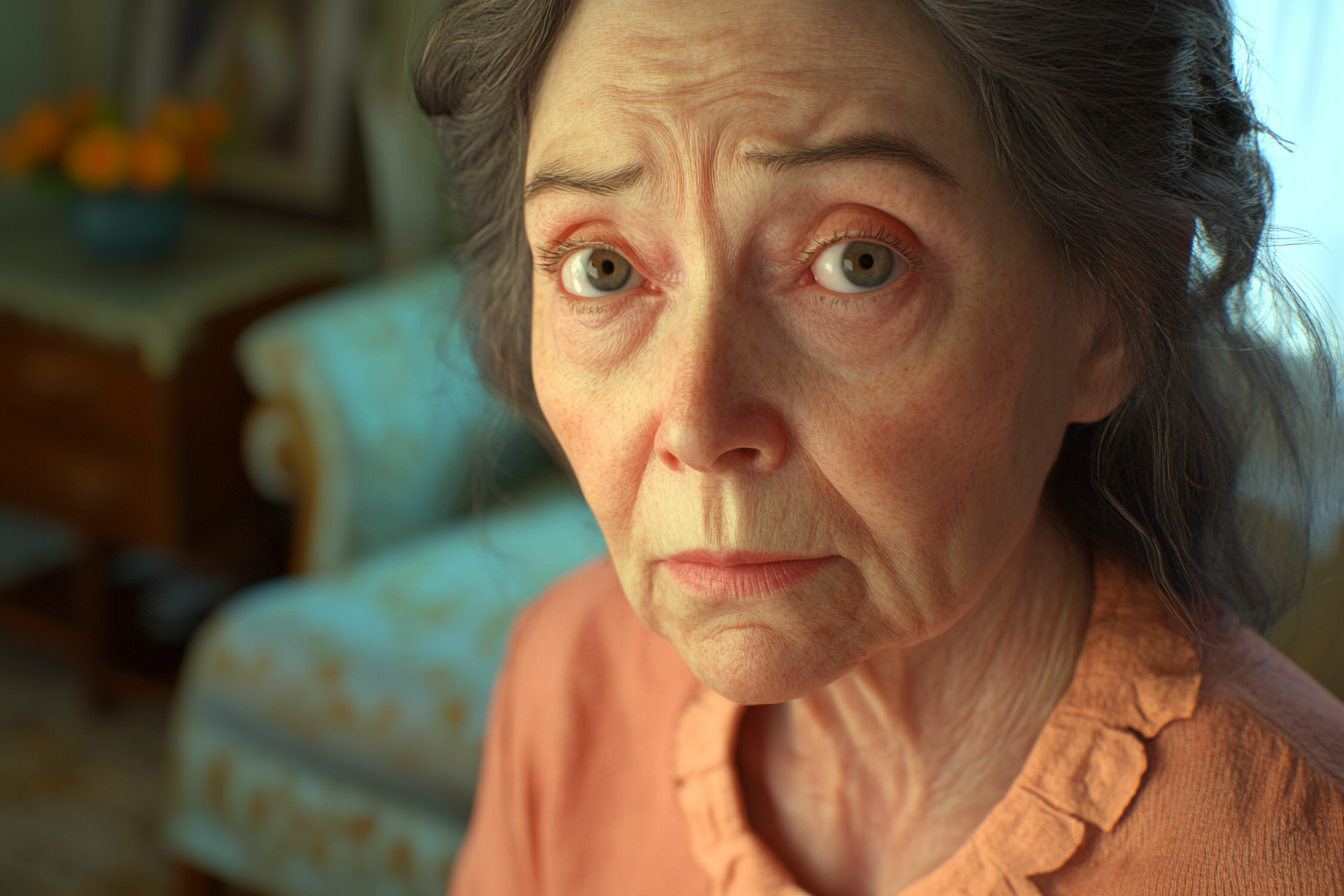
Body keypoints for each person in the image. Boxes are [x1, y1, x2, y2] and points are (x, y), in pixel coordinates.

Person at [414, 0, 1344, 892]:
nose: (697, 425)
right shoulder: (567, 680)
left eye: (858, 261)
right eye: (602, 267)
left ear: (1112, 310)